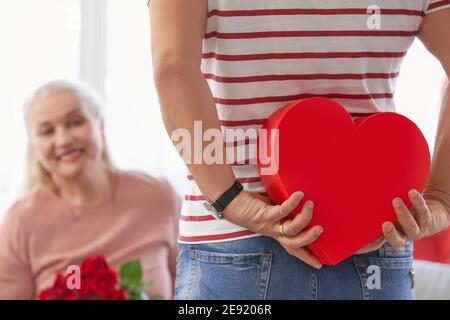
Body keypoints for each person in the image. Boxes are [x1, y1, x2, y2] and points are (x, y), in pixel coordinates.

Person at [149, 0, 450, 300]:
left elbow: (173, 67)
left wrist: (227, 198)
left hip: (236, 243)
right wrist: (442, 197)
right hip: (375, 244)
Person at [0, 80, 181, 300]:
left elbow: (191, 291)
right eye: (47, 131)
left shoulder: (158, 197)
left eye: (75, 122)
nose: (64, 140)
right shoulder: (20, 222)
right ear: (34, 145)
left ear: (100, 125)